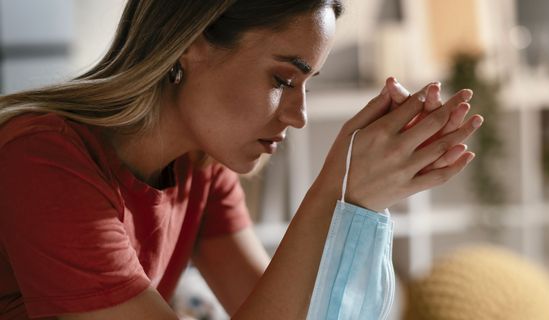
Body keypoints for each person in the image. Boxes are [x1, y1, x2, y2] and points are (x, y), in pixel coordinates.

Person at [0, 0, 483, 319]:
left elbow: (284, 308)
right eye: (282, 80)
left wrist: (363, 202)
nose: (301, 117)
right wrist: (335, 192)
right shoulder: (42, 159)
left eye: (308, 83)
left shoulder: (201, 168)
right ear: (192, 45)